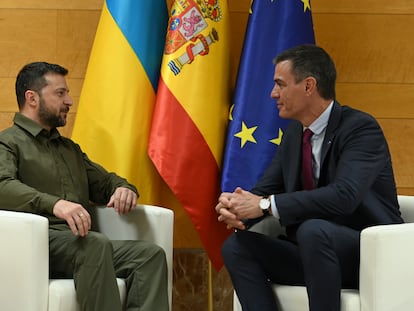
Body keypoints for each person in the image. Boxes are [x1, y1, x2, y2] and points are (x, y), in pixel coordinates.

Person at [215, 44, 403, 311]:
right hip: (311, 251)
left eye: (280, 84)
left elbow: (344, 196)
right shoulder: (294, 135)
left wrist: (265, 205)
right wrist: (237, 207)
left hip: (367, 253)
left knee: (313, 230)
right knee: (236, 247)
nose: (273, 93)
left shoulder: (360, 128)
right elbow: (263, 193)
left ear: (308, 86)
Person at [0, 62, 169, 311]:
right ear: (32, 98)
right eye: (60, 93)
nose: (69, 100)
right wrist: (55, 204)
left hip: (82, 243)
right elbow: (2, 186)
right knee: (94, 244)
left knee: (149, 256)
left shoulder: (69, 149)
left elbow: (106, 183)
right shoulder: (8, 142)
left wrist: (124, 189)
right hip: (35, 243)